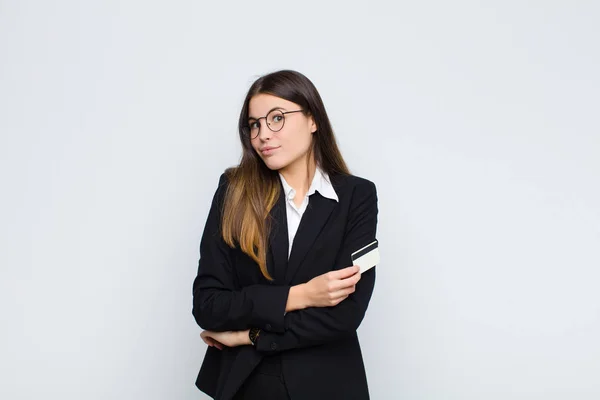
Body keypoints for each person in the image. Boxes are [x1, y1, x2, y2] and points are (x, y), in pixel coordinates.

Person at [191, 69, 378, 400]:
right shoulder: (234, 191)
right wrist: (302, 295)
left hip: (329, 384)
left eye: (277, 118)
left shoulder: (357, 197)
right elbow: (209, 305)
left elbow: (345, 316)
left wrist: (249, 335)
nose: (263, 133)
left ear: (312, 120)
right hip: (248, 384)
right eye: (255, 124)